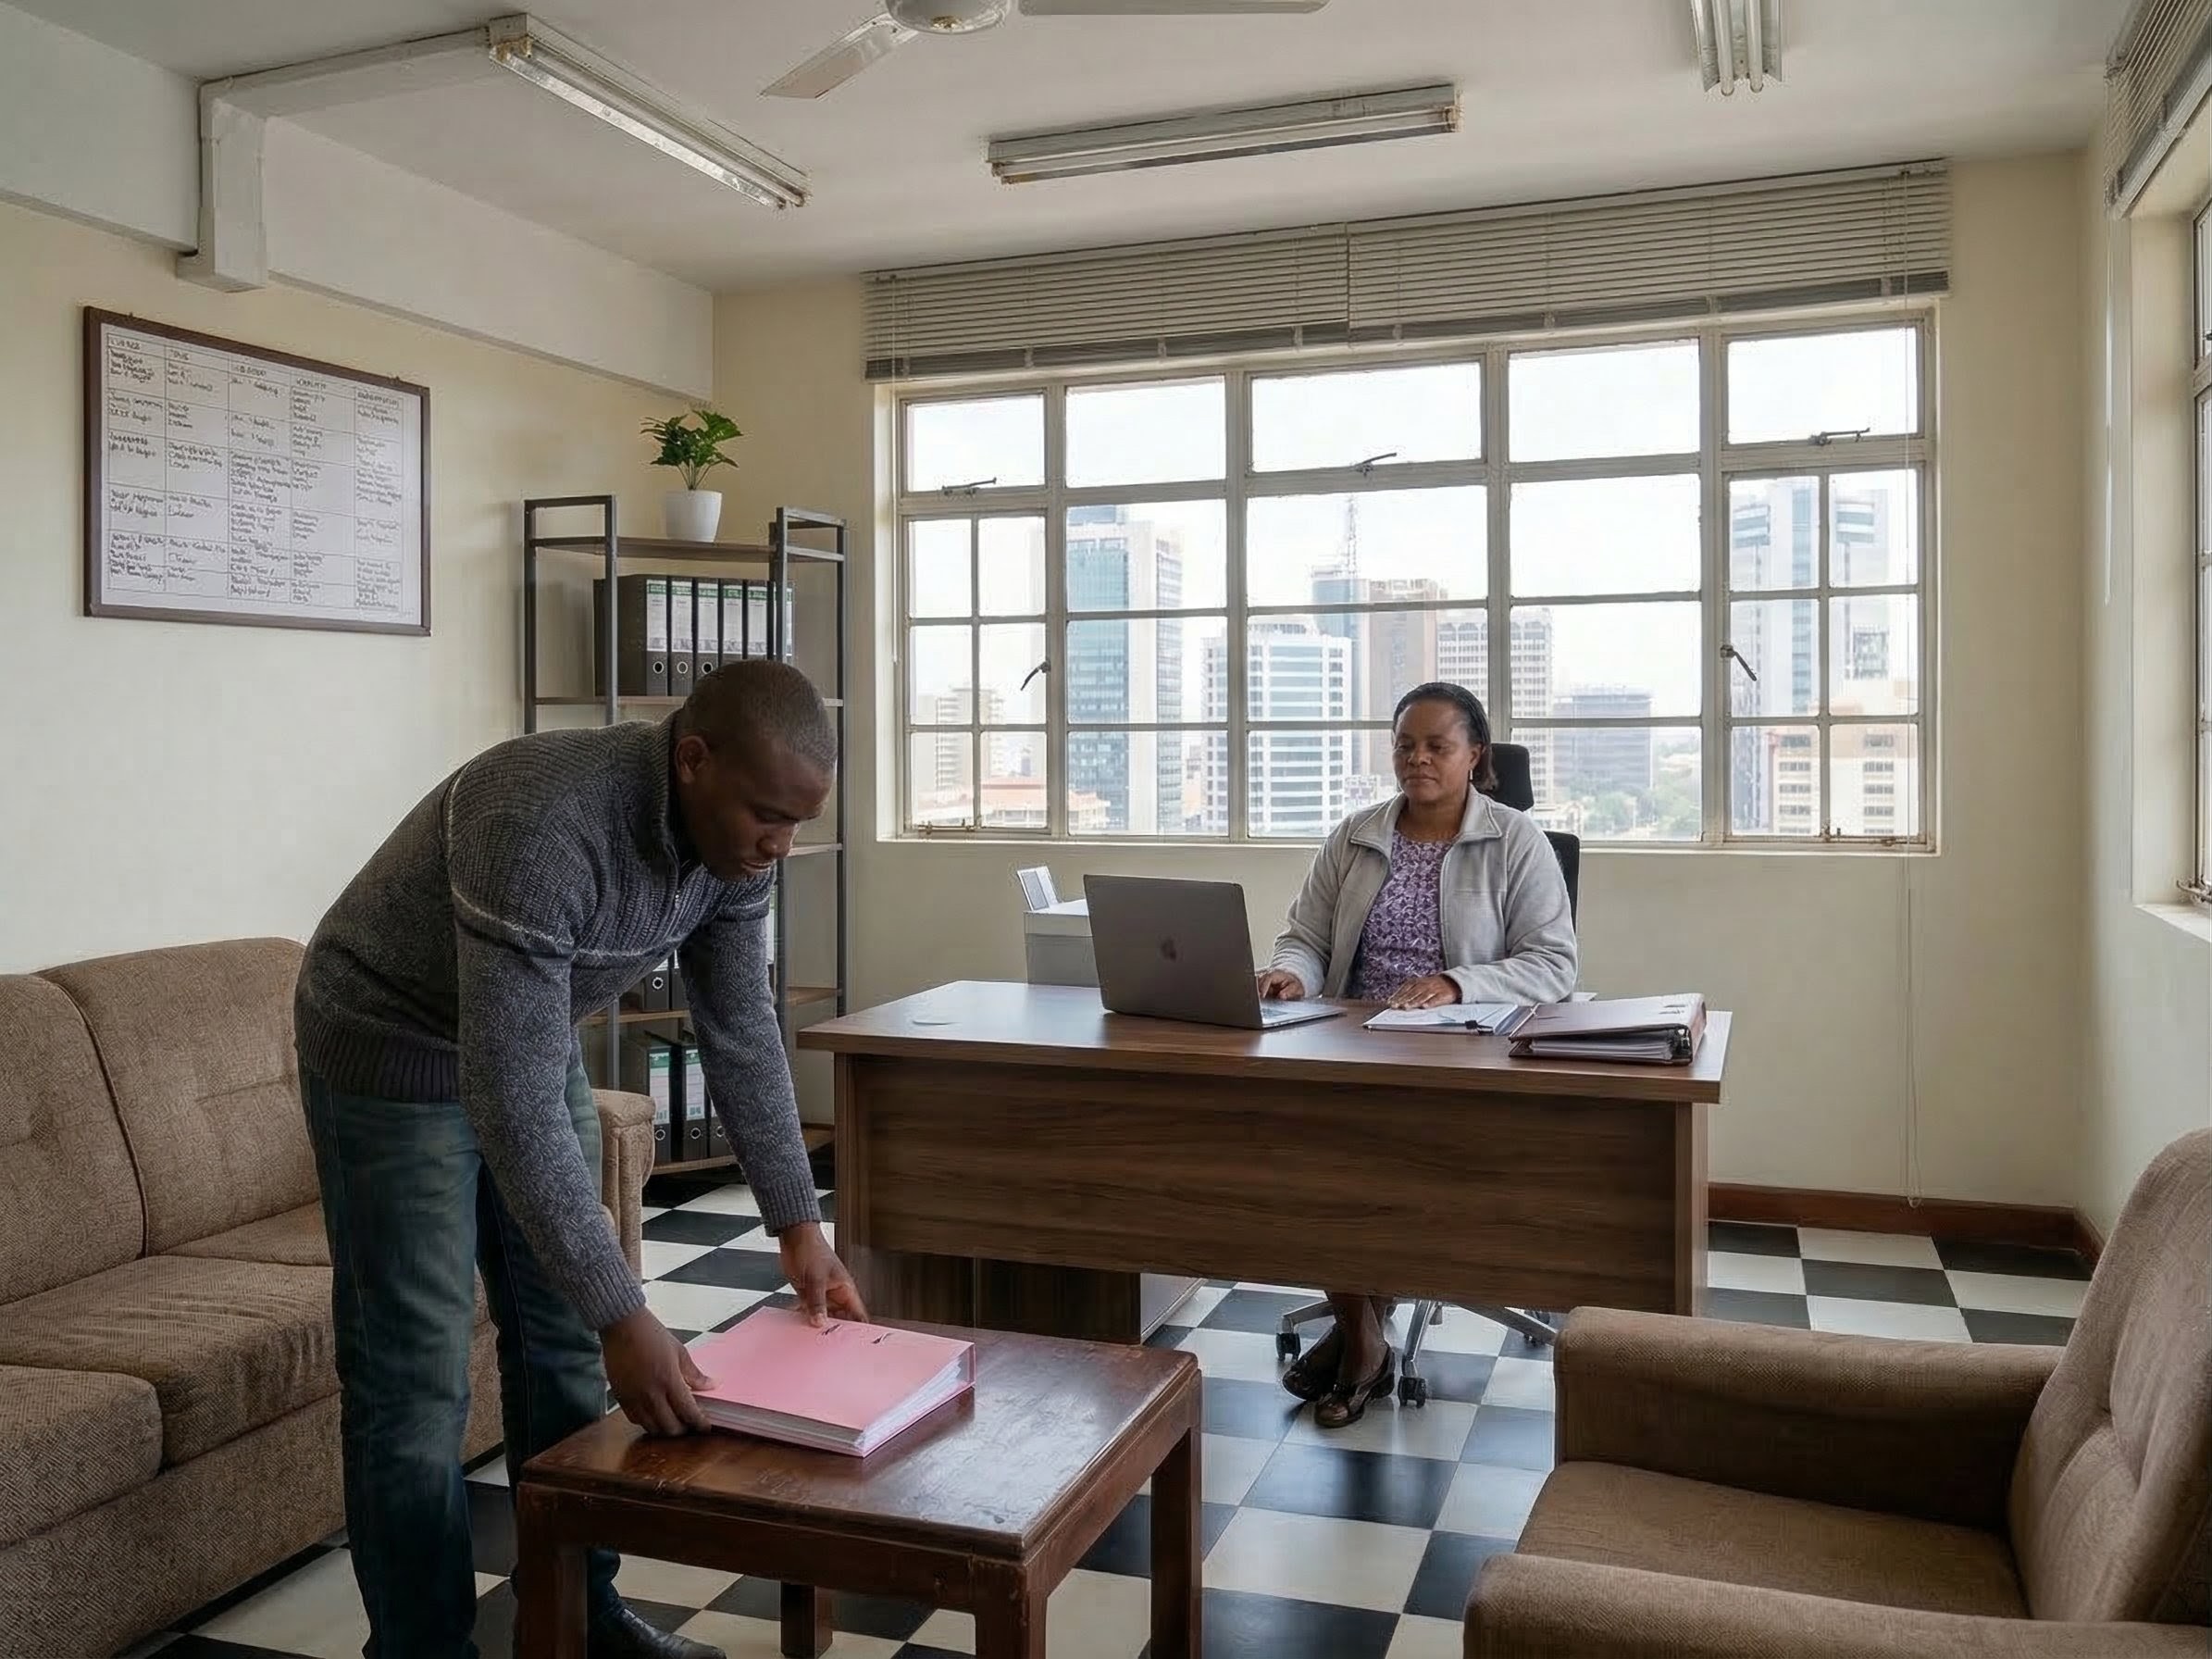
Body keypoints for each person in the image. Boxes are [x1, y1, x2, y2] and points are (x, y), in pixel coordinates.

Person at [292, 657, 864, 1659]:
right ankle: (422, 1648)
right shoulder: (542, 818)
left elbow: (738, 1027)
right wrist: (624, 1309)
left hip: (524, 1035)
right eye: (767, 816)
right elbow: (505, 1100)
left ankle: (577, 1615)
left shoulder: (735, 859)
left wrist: (797, 1224)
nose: (779, 845)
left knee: (558, 1347)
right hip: (389, 1046)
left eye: (797, 824)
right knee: (415, 1382)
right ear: (691, 760)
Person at [1255, 681, 1576, 1428]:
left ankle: (1359, 1345)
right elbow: (1303, 933)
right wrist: (1291, 973)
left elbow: (1553, 965)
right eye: (1405, 744)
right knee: (1304, 1148)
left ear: (1476, 756)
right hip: (1349, 1039)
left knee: (1362, 1160)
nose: (1418, 759)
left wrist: (1455, 981)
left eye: (1438, 745)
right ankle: (1364, 1327)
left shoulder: (1515, 840)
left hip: (1464, 1053)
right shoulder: (1358, 834)